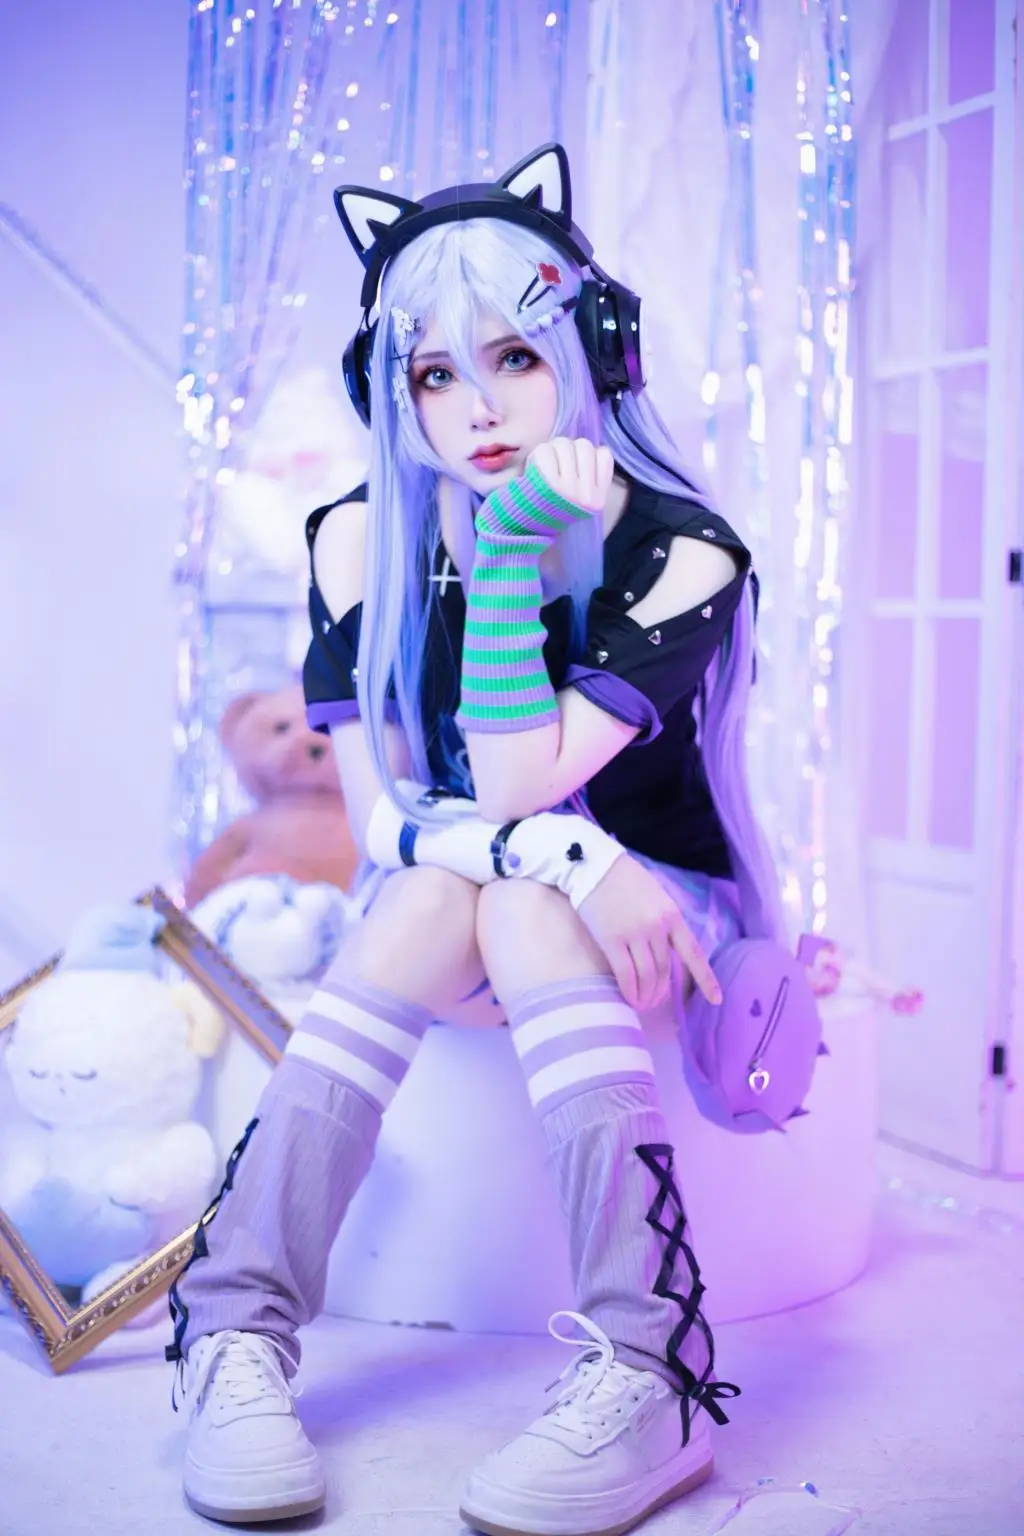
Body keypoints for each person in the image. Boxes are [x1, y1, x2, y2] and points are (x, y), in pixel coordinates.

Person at [166, 142, 786, 1536]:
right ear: (390, 392)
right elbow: (383, 818)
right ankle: (238, 1333)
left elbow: (516, 777)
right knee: (473, 891)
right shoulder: (357, 540)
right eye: (435, 374)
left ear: (593, 352)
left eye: (513, 356)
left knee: (505, 894)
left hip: (662, 913)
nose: (479, 407)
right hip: (507, 890)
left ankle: (650, 1367)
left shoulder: (683, 548)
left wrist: (509, 553)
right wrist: (566, 855)